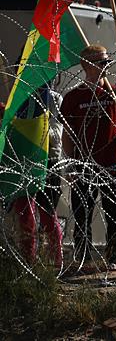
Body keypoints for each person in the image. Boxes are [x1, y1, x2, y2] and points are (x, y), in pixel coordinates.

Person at [61, 45, 116, 269]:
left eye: (107, 62)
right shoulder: (74, 97)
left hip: (112, 165)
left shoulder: (114, 93)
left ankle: (112, 258)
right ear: (87, 65)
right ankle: (83, 258)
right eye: (101, 62)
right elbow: (68, 134)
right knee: (82, 213)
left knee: (115, 214)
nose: (106, 66)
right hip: (84, 165)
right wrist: (71, 164)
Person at [6, 86, 64, 268]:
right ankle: (28, 261)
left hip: (49, 160)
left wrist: (35, 128)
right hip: (23, 163)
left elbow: (57, 133)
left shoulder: (53, 99)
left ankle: (56, 262)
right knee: (25, 214)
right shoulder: (17, 101)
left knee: (47, 214)